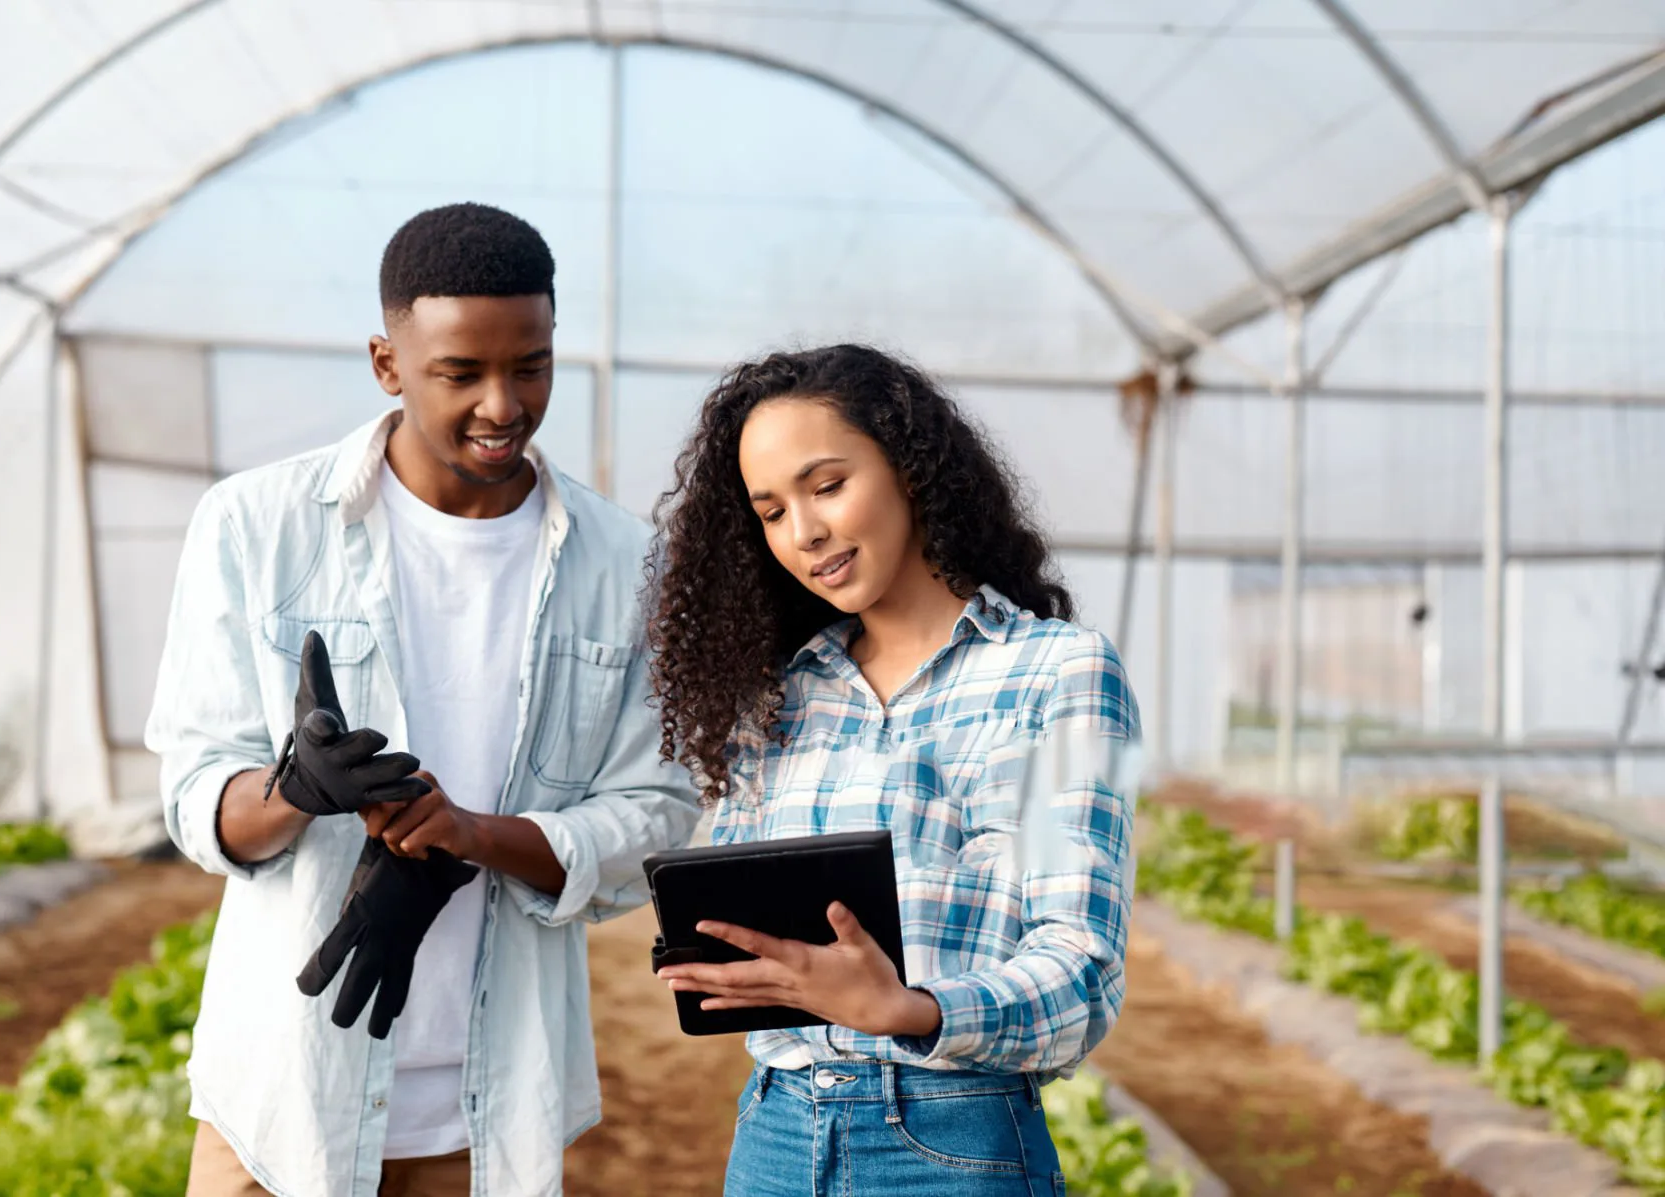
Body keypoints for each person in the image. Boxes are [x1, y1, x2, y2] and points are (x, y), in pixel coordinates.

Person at [145, 202, 700, 1197]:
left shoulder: (625, 566)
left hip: (491, 1118)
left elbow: (656, 813)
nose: (501, 405)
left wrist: (474, 838)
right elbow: (194, 794)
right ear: (385, 362)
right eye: (459, 373)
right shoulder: (255, 526)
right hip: (282, 1105)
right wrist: (291, 791)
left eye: (529, 366)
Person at [645, 344, 1142, 1196]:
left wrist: (911, 1009)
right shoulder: (782, 698)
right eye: (770, 511)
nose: (804, 533)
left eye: (827, 485)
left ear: (910, 470)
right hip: (776, 1130)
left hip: (952, 1137)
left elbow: (1083, 963)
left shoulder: (1057, 673)